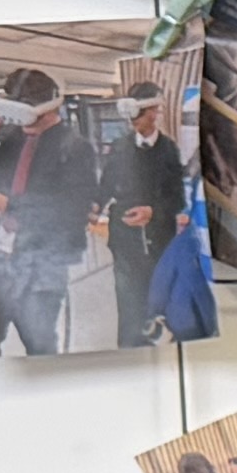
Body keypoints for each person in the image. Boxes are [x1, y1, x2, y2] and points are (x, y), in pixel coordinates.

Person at [0, 63, 107, 354]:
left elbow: (72, 211)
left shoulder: (75, 148)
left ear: (50, 106)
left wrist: (9, 204)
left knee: (40, 348)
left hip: (39, 268)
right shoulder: (9, 138)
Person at [100, 83, 188, 346]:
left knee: (159, 298)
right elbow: (105, 186)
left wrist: (153, 212)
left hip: (159, 242)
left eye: (137, 114)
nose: (132, 122)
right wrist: (92, 206)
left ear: (153, 111)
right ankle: (129, 351)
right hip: (125, 242)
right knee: (128, 303)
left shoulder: (169, 150)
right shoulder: (119, 147)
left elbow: (178, 198)